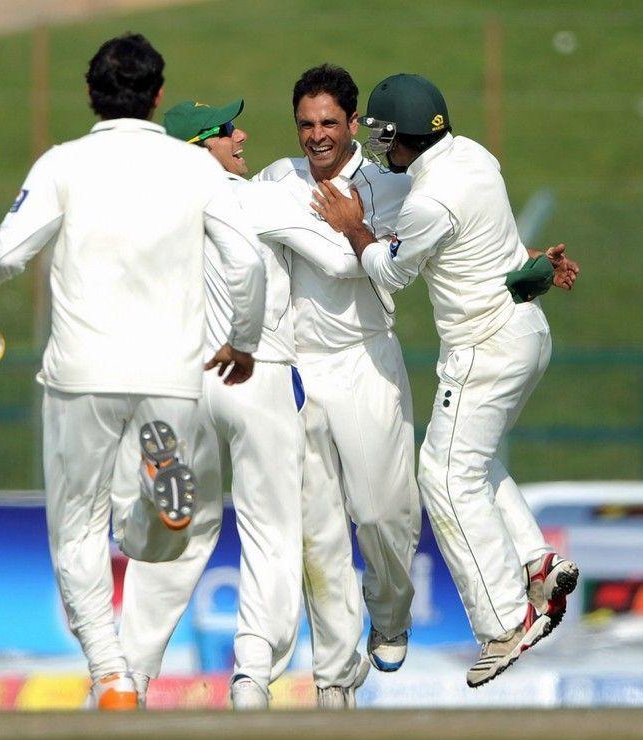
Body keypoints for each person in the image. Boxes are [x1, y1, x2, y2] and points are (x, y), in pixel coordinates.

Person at [0, 34, 266, 710]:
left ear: (91, 95)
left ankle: (111, 676)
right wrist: (240, 339)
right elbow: (246, 263)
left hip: (83, 373)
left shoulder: (65, 163)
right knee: (151, 537)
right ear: (157, 96)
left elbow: (10, 248)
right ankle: (155, 494)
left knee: (77, 526)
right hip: (174, 374)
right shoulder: (198, 170)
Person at [312, 73, 581, 688]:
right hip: (523, 328)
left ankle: (506, 618)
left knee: (443, 473)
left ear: (396, 134)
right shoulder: (475, 157)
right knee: (472, 461)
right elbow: (492, 249)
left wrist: (354, 224)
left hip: (484, 348)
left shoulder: (429, 200)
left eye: (381, 133)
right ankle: (538, 563)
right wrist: (539, 263)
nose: (378, 145)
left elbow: (388, 270)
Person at [119, 99, 371, 710]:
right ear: (200, 148)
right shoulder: (252, 197)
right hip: (255, 371)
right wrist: (355, 223)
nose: (242, 134)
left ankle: (126, 677)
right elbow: (342, 259)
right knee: (273, 529)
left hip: (179, 383)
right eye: (227, 130)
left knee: (182, 533)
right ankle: (252, 675)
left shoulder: (144, 211)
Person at [255, 64, 420, 707]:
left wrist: (350, 226)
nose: (316, 136)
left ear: (354, 124)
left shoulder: (388, 184)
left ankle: (391, 613)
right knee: (316, 531)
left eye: (329, 123)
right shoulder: (278, 177)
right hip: (300, 369)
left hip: (366, 359)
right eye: (306, 124)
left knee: (383, 511)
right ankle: (334, 676)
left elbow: (386, 263)